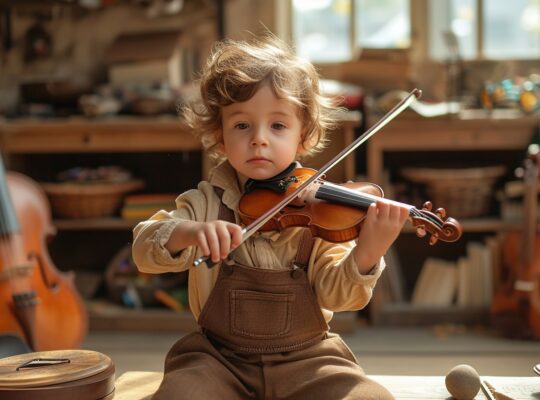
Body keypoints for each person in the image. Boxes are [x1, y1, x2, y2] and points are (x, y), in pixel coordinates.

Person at [132, 34, 409, 400]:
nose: (259, 139)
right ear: (219, 136)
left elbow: (338, 296)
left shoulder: (322, 213)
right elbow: (143, 249)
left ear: (303, 136)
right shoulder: (203, 202)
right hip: (219, 358)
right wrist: (188, 232)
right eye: (242, 125)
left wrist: (367, 254)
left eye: (278, 126)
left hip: (309, 358)